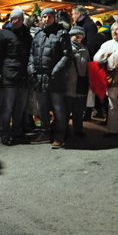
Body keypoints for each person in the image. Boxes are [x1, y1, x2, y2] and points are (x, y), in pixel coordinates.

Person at [28, 8, 71, 149]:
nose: (47, 19)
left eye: (50, 16)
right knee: (42, 108)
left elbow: (66, 56)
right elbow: (31, 53)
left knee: (58, 108)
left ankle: (60, 135)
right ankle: (44, 132)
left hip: (54, 78)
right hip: (39, 78)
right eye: (44, 17)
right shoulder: (38, 35)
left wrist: (55, 71)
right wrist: (31, 69)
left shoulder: (62, 34)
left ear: (54, 17)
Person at [0, 8, 33, 146]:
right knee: (7, 106)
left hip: (23, 76)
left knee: (20, 106)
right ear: (10, 19)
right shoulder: (3, 34)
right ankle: (5, 133)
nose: (16, 21)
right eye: (14, 18)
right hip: (8, 75)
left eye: (19, 19)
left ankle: (17, 131)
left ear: (22, 20)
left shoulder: (26, 35)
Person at [65, 26, 90, 138]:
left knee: (78, 110)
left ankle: (78, 130)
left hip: (81, 84)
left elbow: (88, 64)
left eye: (80, 36)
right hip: (68, 84)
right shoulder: (66, 48)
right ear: (71, 36)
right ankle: (63, 130)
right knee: (66, 110)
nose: (78, 38)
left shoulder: (85, 50)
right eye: (76, 36)